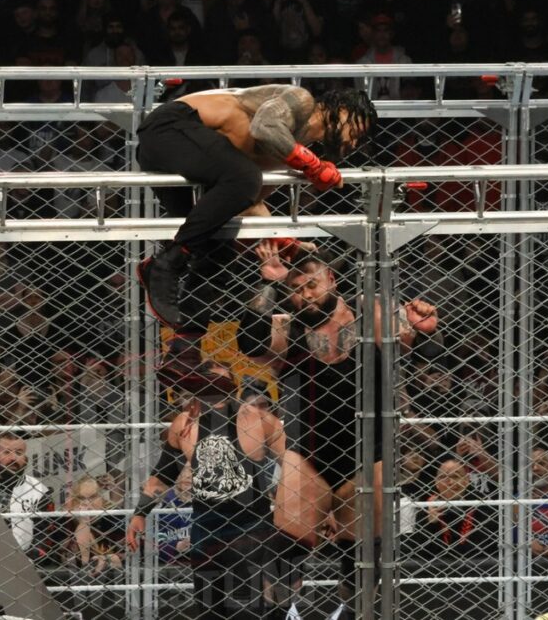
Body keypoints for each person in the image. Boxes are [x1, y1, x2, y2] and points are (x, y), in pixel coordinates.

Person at [236, 246, 440, 614]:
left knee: (365, 554)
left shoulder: (371, 312)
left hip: (369, 453)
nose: (306, 294)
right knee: (284, 552)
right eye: (296, 288)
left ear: (331, 278)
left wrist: (424, 330)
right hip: (308, 455)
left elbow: (423, 350)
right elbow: (250, 343)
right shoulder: (286, 325)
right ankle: (282, 614)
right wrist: (267, 285)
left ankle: (351, 613)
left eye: (311, 283)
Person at [136, 84, 376, 328]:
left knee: (219, 249)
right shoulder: (301, 101)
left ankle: (186, 339)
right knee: (246, 177)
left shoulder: (287, 148)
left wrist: (284, 243)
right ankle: (166, 263)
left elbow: (248, 202)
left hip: (186, 157)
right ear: (344, 109)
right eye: (356, 131)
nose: (353, 142)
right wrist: (312, 165)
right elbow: (265, 127)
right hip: (168, 130)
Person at [125, 340, 297, 620]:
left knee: (249, 606)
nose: (217, 389)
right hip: (206, 523)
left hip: (251, 523)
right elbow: (164, 473)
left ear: (234, 388)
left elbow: (293, 465)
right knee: (208, 608)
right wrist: (140, 512)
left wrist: (294, 507)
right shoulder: (184, 424)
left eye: (223, 383)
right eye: (210, 382)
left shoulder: (256, 419)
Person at [0, 432, 54, 558]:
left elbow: (45, 534)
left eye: (19, 453)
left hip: (24, 560)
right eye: (7, 452)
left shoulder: (39, 490)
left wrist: (31, 557)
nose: (13, 458)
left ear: (26, 458)